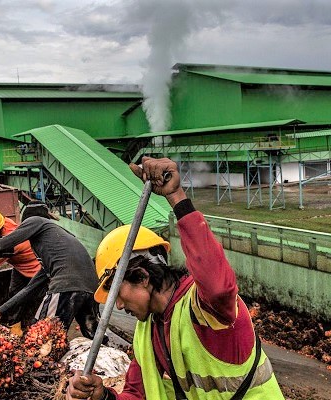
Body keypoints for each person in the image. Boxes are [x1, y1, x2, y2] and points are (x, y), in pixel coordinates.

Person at [66, 157, 284, 400]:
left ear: (142, 276)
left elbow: (219, 286)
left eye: (117, 293)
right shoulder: (146, 332)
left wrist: (177, 197)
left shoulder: (204, 309)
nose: (117, 305)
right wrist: (103, 397)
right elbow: (137, 394)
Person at [0, 202, 100, 339]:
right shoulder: (53, 248)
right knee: (93, 332)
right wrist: (0, 311)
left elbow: (1, 245)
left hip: (67, 284)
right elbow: (30, 288)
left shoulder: (35, 221)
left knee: (41, 336)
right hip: (91, 285)